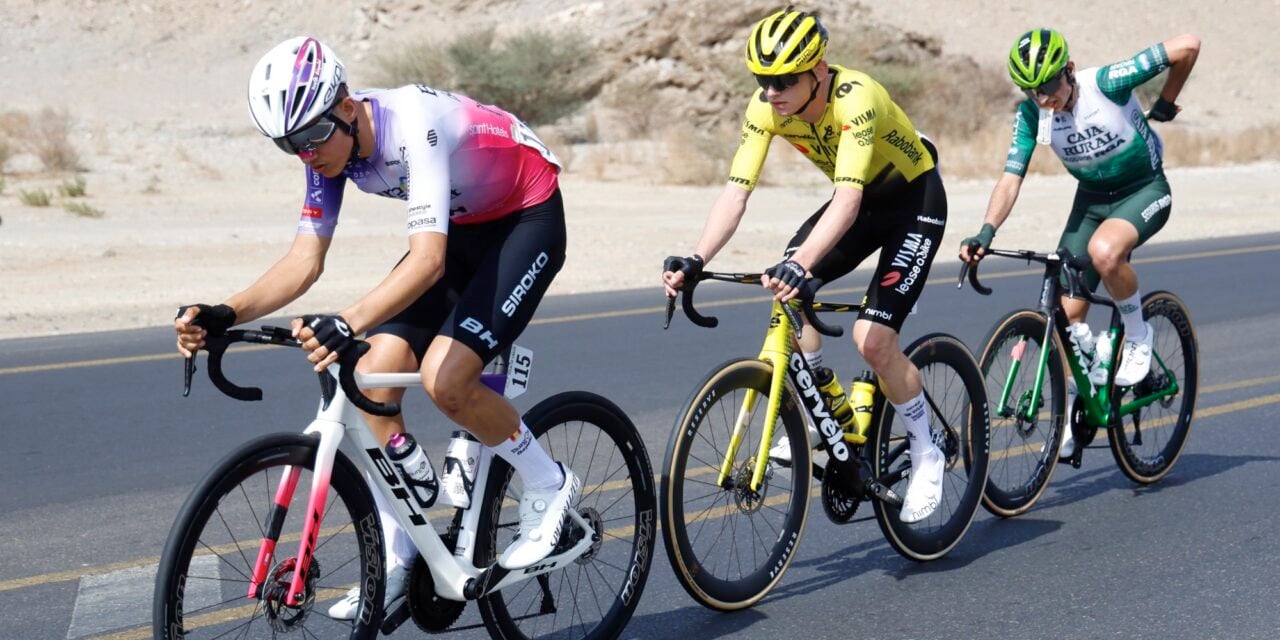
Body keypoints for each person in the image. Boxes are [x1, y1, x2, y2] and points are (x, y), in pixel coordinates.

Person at [173, 36, 580, 619]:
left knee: (445, 380)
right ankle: (400, 558)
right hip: (463, 227)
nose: (306, 154)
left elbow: (428, 261)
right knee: (370, 375)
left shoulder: (413, 123)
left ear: (345, 106)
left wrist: (346, 321)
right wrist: (225, 311)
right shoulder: (329, 148)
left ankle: (549, 482)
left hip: (526, 219)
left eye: (312, 136)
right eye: (289, 145)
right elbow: (304, 261)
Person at [661, 8, 950, 524]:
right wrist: (699, 258)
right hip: (857, 203)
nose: (771, 92)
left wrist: (804, 263)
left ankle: (927, 450)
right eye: (762, 80)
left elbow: (847, 199)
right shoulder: (766, 108)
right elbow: (736, 192)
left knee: (873, 341)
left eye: (784, 81)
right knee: (785, 290)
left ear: (818, 70)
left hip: (912, 202)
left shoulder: (856, 97)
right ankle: (823, 408)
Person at [959, 28, 1200, 460]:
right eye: (1031, 90)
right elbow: (1011, 179)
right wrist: (986, 231)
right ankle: (1080, 403)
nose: (1043, 98)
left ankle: (1138, 336)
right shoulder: (1032, 115)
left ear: (1069, 70)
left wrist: (1166, 101)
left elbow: (1188, 46)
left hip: (1144, 189)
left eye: (1049, 85)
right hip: (1091, 202)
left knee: (1105, 253)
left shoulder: (1107, 83)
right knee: (1065, 318)